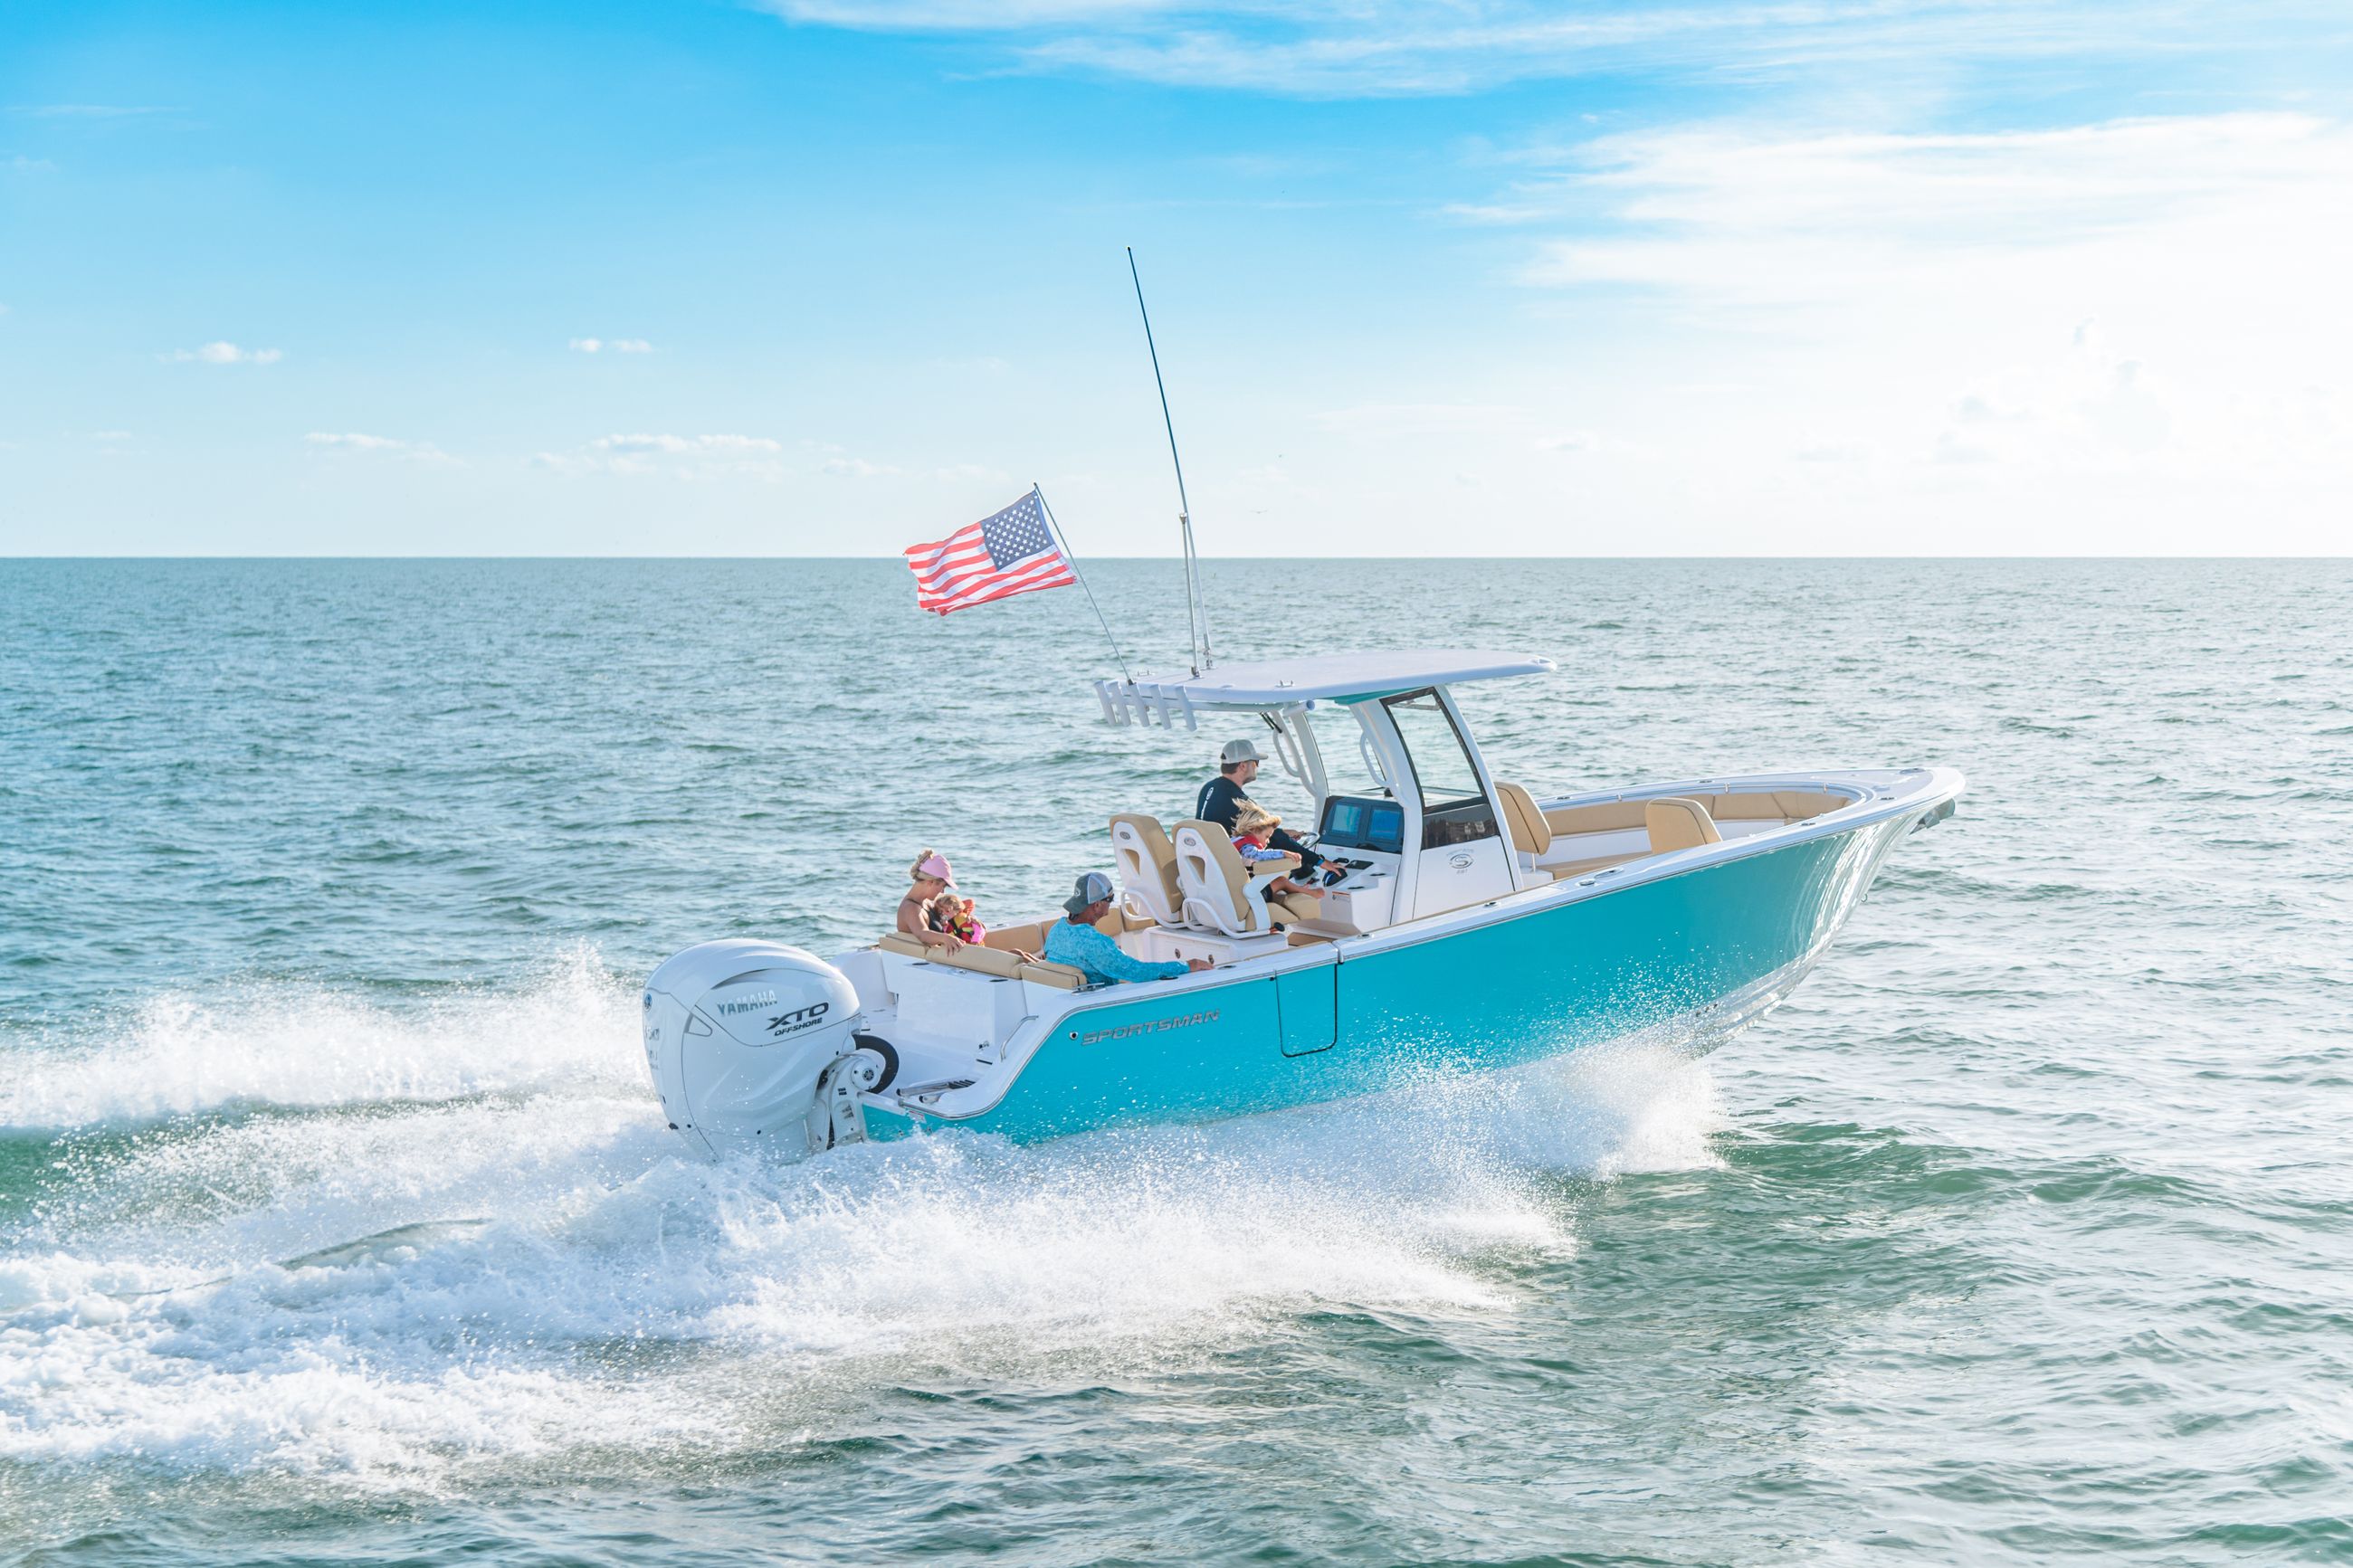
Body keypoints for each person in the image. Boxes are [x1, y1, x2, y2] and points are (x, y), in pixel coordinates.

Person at [1043, 872, 1213, 985]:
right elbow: (1138, 972)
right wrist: (1187, 965)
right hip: (1105, 1006)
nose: (1110, 908)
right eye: (1110, 899)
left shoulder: (1056, 930)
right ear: (1097, 905)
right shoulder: (1095, 944)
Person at [1194, 738, 1326, 876]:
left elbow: (1239, 826)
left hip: (1209, 866)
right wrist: (1319, 861)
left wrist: (1282, 832)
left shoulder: (1209, 788)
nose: (1257, 766)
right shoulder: (1239, 802)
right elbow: (1277, 840)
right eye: (1256, 762)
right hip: (1231, 874)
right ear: (1243, 766)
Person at [1230, 803, 1327, 911]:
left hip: (1238, 893)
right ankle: (1312, 893)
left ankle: (1298, 890)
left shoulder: (1235, 841)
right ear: (1255, 830)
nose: (1268, 841)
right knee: (1281, 881)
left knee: (1278, 881)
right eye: (1267, 836)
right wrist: (1284, 853)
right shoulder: (1248, 847)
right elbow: (1258, 854)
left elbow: (1257, 856)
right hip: (1249, 896)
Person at [896, 850, 967, 952]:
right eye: (943, 886)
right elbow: (922, 934)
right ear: (931, 882)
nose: (942, 891)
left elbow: (941, 921)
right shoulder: (911, 908)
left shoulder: (926, 903)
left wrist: (965, 918)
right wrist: (946, 938)